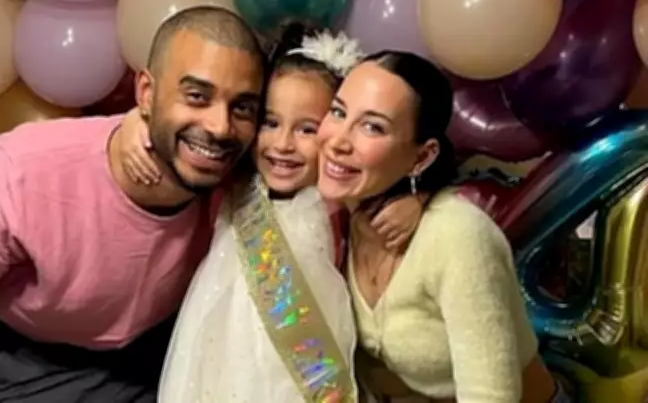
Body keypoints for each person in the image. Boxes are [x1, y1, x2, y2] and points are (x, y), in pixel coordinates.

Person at [0, 6, 267, 403]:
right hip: (37, 364)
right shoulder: (22, 171)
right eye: (196, 97)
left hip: (162, 352)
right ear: (146, 93)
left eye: (242, 107)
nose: (220, 127)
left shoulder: (242, 176)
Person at [122, 24, 427, 402]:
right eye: (270, 123)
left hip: (300, 383)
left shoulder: (338, 196)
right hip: (215, 369)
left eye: (307, 130)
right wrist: (133, 123)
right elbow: (173, 133)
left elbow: (406, 170)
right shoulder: (235, 183)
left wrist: (417, 199)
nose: (282, 144)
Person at [316, 51, 569, 403]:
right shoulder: (338, 218)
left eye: (373, 127)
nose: (338, 141)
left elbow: (490, 396)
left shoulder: (458, 235)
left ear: (421, 157)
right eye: (338, 112)